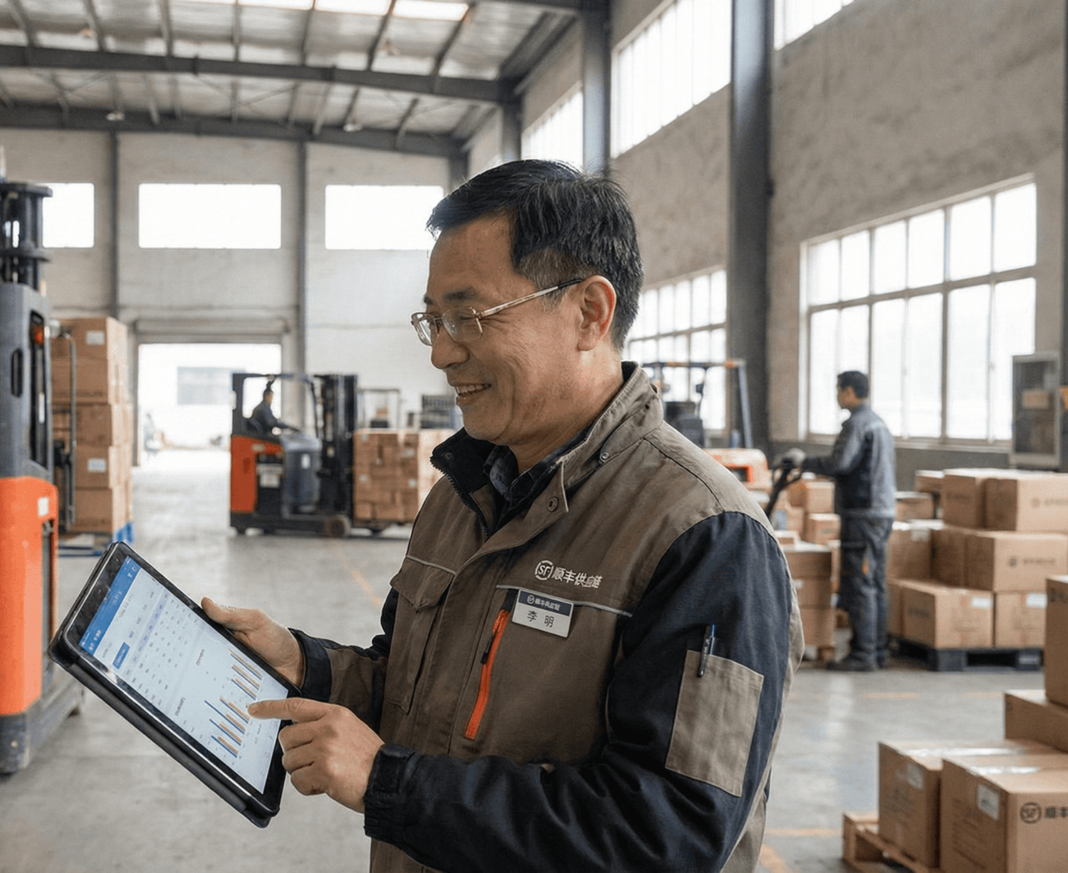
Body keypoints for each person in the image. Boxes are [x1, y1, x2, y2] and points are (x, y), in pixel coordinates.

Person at [202, 160, 802, 872]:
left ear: (589, 312)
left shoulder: (705, 537)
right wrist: (307, 665)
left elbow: (663, 835)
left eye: (470, 316)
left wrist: (388, 784)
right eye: (434, 318)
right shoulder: (462, 492)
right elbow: (417, 693)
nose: (443, 351)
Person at [783, 371, 896, 671]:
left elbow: (840, 463)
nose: (836, 396)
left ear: (848, 392)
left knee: (861, 583)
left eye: (837, 390)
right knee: (874, 582)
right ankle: (878, 650)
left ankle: (863, 654)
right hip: (881, 512)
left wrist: (803, 462)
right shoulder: (877, 422)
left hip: (864, 513)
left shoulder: (857, 424)